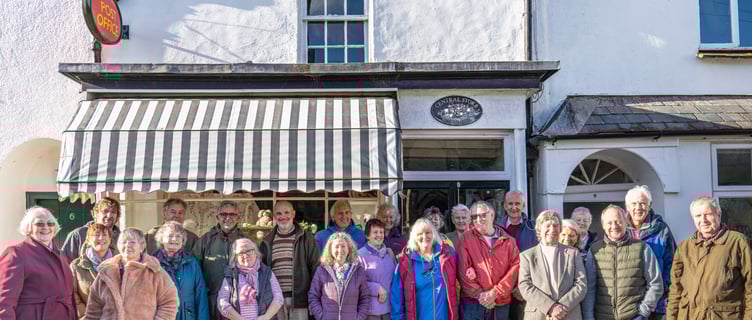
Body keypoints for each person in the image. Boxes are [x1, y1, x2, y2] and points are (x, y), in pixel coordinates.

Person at [666, 196, 752, 320]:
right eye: (698, 216)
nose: (703, 220)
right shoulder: (685, 247)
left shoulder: (737, 242)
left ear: (718, 214)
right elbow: (675, 290)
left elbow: (750, 286)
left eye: (708, 214)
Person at [583, 205, 663, 320]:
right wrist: (589, 317)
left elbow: (656, 284)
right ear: (603, 226)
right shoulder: (595, 250)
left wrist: (643, 312)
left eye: (618, 221)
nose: (614, 226)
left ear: (626, 222)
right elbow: (589, 289)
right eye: (609, 223)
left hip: (633, 316)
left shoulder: (642, 248)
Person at [0, 207, 77, 320]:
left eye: (50, 223)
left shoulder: (60, 255)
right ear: (28, 228)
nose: (46, 227)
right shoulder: (16, 254)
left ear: (55, 229)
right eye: (39, 223)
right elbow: (4, 301)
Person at [85, 228, 178, 319]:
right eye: (123, 242)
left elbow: (170, 302)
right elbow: (93, 309)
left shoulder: (154, 271)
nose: (127, 245)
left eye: (132, 242)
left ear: (142, 246)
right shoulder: (106, 271)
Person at [518, 210, 587, 320]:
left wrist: (561, 308)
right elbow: (525, 286)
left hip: (568, 314)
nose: (552, 230)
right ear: (539, 229)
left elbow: (581, 285)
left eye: (556, 226)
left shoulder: (573, 253)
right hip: (538, 315)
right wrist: (551, 307)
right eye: (547, 226)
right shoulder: (527, 256)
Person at [458, 201, 520, 320]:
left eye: (482, 215)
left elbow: (515, 269)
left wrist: (495, 293)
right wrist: (481, 295)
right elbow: (462, 271)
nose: (478, 219)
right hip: (473, 303)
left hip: (500, 302)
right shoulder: (465, 239)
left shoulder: (509, 241)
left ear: (492, 214)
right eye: (474, 217)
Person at [258, 200, 320, 320]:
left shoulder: (306, 238)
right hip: (275, 300)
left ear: (293, 214)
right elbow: (261, 272)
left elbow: (316, 268)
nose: (283, 217)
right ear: (275, 217)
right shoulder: (266, 242)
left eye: (287, 212)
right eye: (279, 213)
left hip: (300, 299)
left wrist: (314, 297)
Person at [624, 185, 677, 318]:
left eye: (642, 203)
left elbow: (672, 262)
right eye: (634, 203)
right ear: (627, 206)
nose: (638, 208)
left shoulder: (661, 229)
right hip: (627, 301)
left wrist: (663, 288)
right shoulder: (620, 229)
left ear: (650, 205)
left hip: (655, 301)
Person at [391, 218, 458, 320]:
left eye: (428, 232)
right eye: (420, 234)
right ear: (414, 237)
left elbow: (462, 276)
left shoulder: (448, 254)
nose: (424, 236)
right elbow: (396, 298)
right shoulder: (405, 261)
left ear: (434, 234)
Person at [193, 200, 249, 319]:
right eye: (224, 214)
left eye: (232, 214)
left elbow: (256, 270)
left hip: (239, 301)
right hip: (211, 300)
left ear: (238, 217)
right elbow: (194, 270)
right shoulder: (205, 240)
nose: (228, 218)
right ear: (217, 217)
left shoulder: (246, 241)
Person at [154, 221, 210, 320]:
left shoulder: (192, 263)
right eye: (170, 236)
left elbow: (200, 295)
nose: (174, 239)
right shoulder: (153, 263)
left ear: (183, 240)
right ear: (162, 239)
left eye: (178, 236)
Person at [308, 232, 370, 320]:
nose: (340, 250)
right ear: (330, 249)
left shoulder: (358, 270)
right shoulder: (322, 270)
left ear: (349, 248)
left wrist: (359, 318)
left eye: (343, 246)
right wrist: (321, 316)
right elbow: (313, 296)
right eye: (336, 246)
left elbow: (365, 297)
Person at [218, 238, 283, 320]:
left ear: (256, 253)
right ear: (235, 257)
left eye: (249, 251)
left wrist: (266, 317)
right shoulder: (231, 275)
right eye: (241, 253)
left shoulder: (267, 273)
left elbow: (278, 297)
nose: (245, 255)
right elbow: (222, 302)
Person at [496, 191, 537, 320]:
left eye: (517, 203)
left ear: (523, 205)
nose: (514, 207)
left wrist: (522, 286)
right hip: (501, 290)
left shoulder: (534, 228)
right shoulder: (495, 227)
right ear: (504, 206)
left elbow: (537, 260)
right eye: (510, 204)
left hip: (526, 289)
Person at [71, 223, 114, 319]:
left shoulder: (120, 263)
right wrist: (86, 315)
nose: (101, 238)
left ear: (110, 239)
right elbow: (72, 294)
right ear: (89, 240)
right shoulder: (76, 266)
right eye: (97, 234)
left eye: (105, 235)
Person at [358, 219, 396, 320]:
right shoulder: (360, 255)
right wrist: (376, 288)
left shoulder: (390, 254)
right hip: (370, 312)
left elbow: (396, 280)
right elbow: (357, 282)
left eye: (381, 232)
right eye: (375, 232)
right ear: (367, 236)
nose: (379, 235)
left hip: (390, 309)